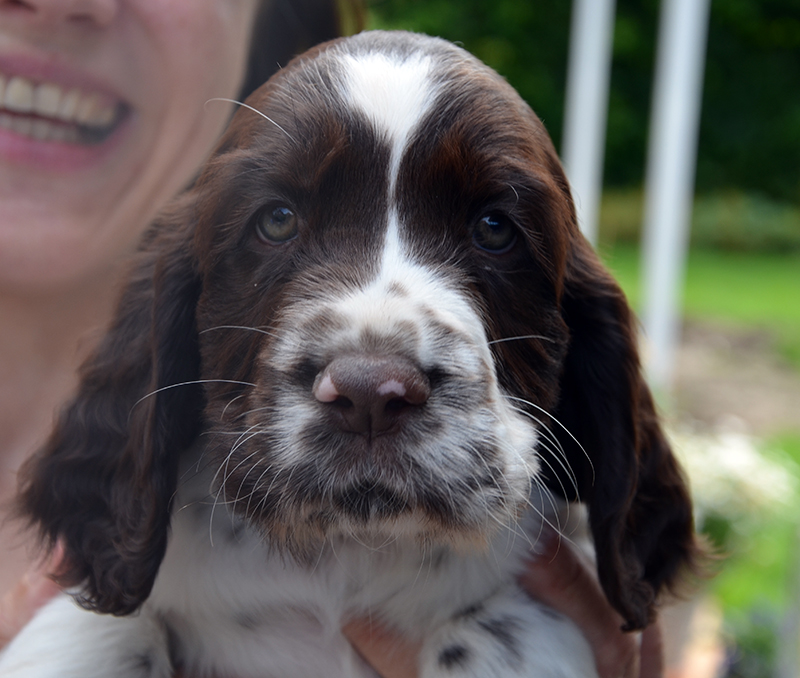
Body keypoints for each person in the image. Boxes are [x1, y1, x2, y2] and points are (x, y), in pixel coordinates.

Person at [0, 2, 663, 675]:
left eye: (495, 231)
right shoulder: (142, 550)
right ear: (182, 309)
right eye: (278, 221)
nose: (376, 379)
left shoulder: (533, 588)